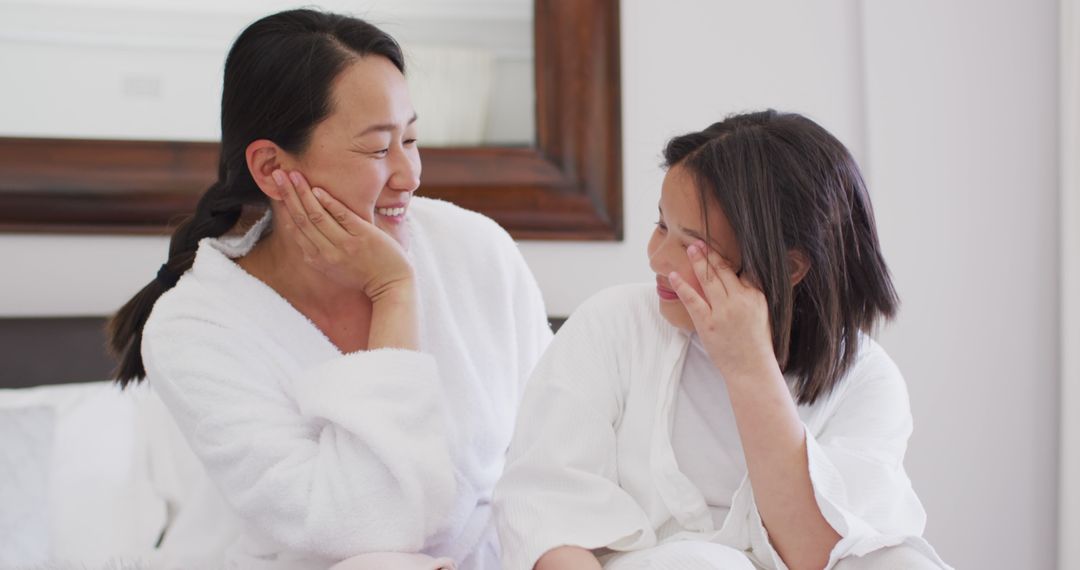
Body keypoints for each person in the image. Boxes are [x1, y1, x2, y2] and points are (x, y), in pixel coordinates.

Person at [106, 9, 551, 570]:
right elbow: (367, 528)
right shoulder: (195, 327)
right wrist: (393, 292)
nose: (409, 174)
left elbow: (558, 452)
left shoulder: (474, 249)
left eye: (410, 139)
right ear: (271, 167)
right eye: (377, 148)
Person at [494, 110, 951, 570]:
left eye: (691, 246)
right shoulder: (614, 325)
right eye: (660, 226)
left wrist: (748, 365)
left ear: (790, 268)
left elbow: (819, 554)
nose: (656, 258)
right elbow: (544, 512)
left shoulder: (865, 380)